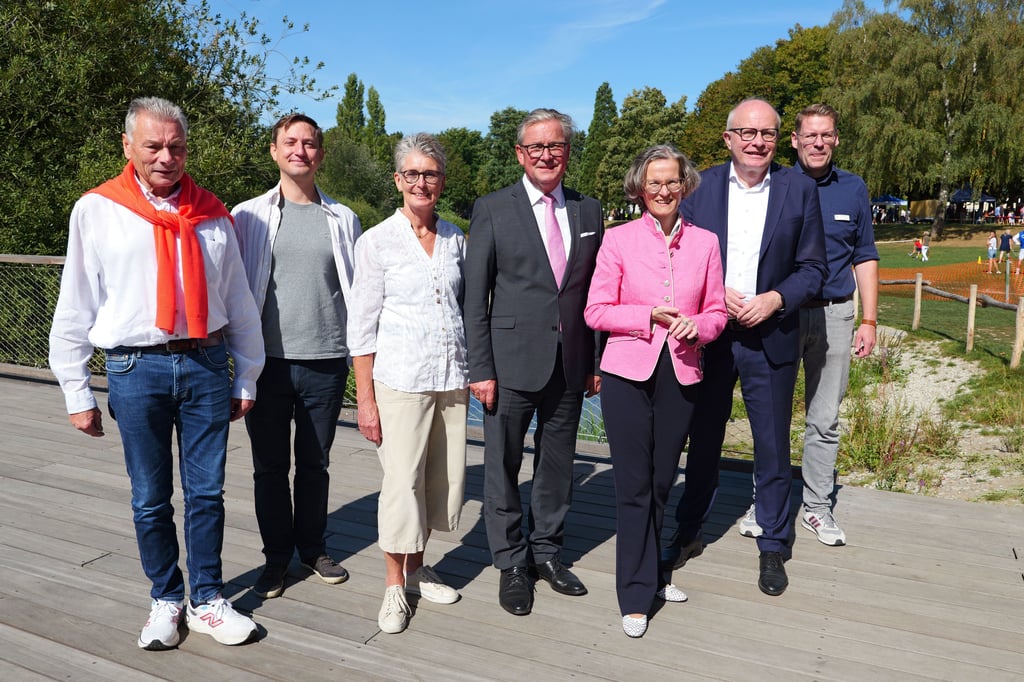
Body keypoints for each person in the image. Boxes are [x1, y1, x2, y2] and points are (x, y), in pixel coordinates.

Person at [48, 96, 265, 649]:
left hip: (206, 364)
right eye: (153, 145)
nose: (166, 156)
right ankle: (166, 598)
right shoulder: (97, 210)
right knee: (149, 496)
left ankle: (209, 599)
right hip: (133, 367)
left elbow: (238, 301)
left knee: (207, 493)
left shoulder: (213, 213)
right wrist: (77, 389)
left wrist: (247, 375)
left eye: (176, 145)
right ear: (128, 146)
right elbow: (76, 302)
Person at [661, 98, 826, 597]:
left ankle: (774, 543)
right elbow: (674, 252)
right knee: (703, 438)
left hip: (770, 333)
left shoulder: (799, 190)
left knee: (772, 445)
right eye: (747, 133)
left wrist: (776, 298)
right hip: (710, 336)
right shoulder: (700, 188)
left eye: (768, 134)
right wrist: (711, 295)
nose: (758, 142)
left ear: (781, 140)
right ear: (728, 137)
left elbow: (814, 268)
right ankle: (689, 531)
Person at [464, 108, 604, 616]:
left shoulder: (589, 211)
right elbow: (474, 296)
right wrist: (479, 367)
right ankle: (511, 563)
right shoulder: (493, 208)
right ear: (520, 154)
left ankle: (547, 553)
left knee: (557, 465)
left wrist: (595, 359)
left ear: (568, 151)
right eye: (536, 147)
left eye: (556, 146)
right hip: (508, 364)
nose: (547, 155)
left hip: (570, 364)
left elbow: (594, 292)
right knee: (502, 466)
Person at [584, 144, 727, 637]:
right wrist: (646, 315)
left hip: (681, 373)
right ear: (639, 189)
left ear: (684, 185)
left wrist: (699, 328)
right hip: (627, 373)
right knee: (634, 485)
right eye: (654, 183)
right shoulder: (618, 240)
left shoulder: (706, 243)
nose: (663, 190)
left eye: (671, 181)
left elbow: (717, 312)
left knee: (663, 480)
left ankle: (653, 573)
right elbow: (596, 310)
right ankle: (635, 592)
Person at [734, 104, 879, 547]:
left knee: (824, 418)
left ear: (835, 139)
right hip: (781, 313)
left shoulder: (853, 189)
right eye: (809, 136)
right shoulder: (772, 183)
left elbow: (865, 256)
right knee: (771, 418)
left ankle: (816, 507)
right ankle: (767, 503)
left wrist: (869, 319)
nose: (818, 143)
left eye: (827, 136)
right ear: (793, 140)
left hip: (834, 313)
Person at [232, 113, 361, 600]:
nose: (300, 151)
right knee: (269, 468)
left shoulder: (343, 218)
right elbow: (234, 288)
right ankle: (275, 560)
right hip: (264, 363)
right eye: (291, 142)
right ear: (274, 150)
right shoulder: (248, 216)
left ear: (320, 155)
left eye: (309, 144)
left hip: (326, 361)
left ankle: (313, 548)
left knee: (314, 464)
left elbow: (357, 290)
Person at [348, 133, 469, 634]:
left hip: (451, 378)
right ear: (398, 180)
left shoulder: (458, 239)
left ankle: (419, 569)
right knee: (401, 486)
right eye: (412, 174)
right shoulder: (376, 241)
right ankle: (394, 584)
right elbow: (361, 327)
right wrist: (366, 401)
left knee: (440, 480)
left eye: (431, 173)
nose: (422, 182)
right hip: (400, 380)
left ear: (442, 181)